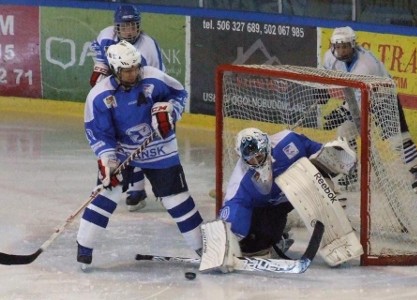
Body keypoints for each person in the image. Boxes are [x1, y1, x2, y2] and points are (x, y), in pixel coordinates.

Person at [76, 41, 204, 270]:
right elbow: (99, 133)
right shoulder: (100, 95)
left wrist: (170, 111)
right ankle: (84, 248)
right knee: (105, 195)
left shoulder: (154, 78)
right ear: (115, 70)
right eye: (127, 70)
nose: (133, 72)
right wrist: (107, 160)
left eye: (135, 67)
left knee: (177, 199)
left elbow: (178, 94)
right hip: (121, 152)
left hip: (160, 146)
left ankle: (204, 249)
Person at [321, 26, 417, 194]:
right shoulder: (330, 56)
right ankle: (352, 171)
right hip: (356, 98)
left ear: (353, 45)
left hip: (383, 97)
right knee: (345, 131)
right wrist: (321, 92)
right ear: (333, 46)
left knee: (397, 139)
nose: (341, 51)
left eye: (345, 46)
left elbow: (358, 101)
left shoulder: (365, 65)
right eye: (338, 46)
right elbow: (323, 75)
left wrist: (342, 112)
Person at [217, 127, 355, 259]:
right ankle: (274, 238)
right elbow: (231, 216)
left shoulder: (288, 140)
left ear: (267, 146)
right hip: (267, 209)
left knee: (323, 180)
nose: (256, 162)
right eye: (251, 159)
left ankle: (339, 233)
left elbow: (319, 154)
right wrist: (226, 243)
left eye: (259, 156)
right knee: (255, 242)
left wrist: (328, 187)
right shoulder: (241, 183)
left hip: (293, 193)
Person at [89, 4, 165, 212]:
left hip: (140, 96)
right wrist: (101, 72)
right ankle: (131, 185)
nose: (129, 31)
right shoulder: (105, 36)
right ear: (116, 28)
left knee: (139, 140)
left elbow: (157, 78)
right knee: (120, 140)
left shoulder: (148, 45)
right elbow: (99, 57)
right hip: (115, 95)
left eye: (132, 26)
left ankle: (139, 189)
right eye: (125, 26)